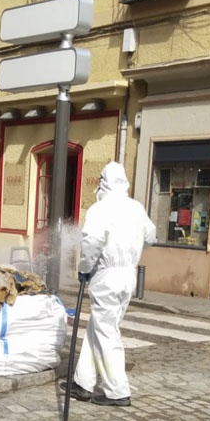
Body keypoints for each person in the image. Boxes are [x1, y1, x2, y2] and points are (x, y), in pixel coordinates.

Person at [62, 161, 156, 407]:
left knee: (107, 332)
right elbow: (151, 235)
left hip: (108, 275)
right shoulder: (136, 208)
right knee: (99, 326)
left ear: (103, 183)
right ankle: (83, 382)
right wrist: (132, 248)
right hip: (128, 275)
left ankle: (117, 391)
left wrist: (84, 268)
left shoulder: (100, 209)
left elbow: (92, 241)